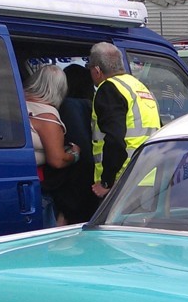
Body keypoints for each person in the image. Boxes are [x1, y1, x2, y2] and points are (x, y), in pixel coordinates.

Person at [87, 42, 161, 203]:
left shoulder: (109, 89)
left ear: (97, 70)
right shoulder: (139, 87)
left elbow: (115, 140)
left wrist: (106, 181)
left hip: (122, 180)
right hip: (147, 175)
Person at [24, 65, 77, 228]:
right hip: (36, 186)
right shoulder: (48, 116)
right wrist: (75, 154)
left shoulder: (18, 104)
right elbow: (57, 160)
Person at [48, 63, 96, 225]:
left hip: (73, 188)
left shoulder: (68, 107)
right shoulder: (93, 106)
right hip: (95, 185)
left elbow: (78, 153)